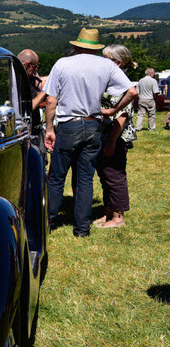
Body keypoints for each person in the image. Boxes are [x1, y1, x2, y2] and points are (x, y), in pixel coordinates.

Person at [43, 28, 136, 237]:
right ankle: (82, 229)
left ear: (76, 46)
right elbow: (132, 91)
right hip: (93, 125)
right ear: (95, 48)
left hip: (68, 125)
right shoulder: (106, 65)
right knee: (86, 179)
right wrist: (113, 110)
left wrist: (49, 128)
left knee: (57, 177)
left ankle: (47, 223)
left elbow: (50, 100)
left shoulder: (62, 63)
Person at [95, 44, 138, 229]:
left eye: (106, 59)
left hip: (116, 137)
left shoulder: (124, 85)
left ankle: (118, 217)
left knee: (114, 175)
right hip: (104, 135)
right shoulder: (110, 82)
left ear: (118, 63)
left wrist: (111, 141)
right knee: (105, 174)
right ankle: (108, 213)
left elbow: (122, 117)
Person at [18, 49, 48, 154]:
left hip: (33, 129)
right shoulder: (19, 81)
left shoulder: (27, 76)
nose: (35, 70)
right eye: (35, 67)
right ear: (27, 65)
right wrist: (45, 91)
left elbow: (39, 82)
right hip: (27, 132)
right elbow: (29, 107)